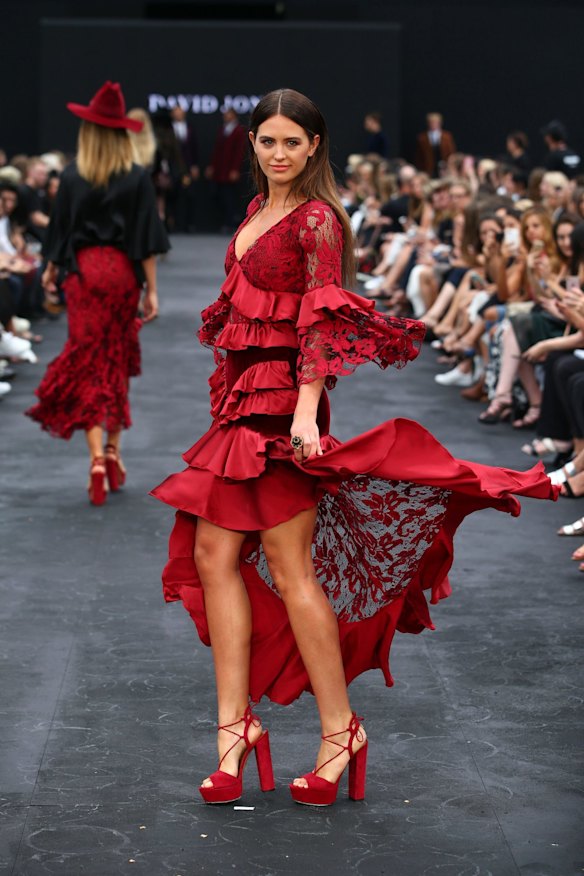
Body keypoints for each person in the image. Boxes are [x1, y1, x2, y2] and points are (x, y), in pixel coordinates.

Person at [151, 88, 556, 809]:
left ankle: (340, 730)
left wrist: (307, 411)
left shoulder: (318, 221)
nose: (278, 153)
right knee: (214, 557)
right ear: (251, 143)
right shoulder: (255, 213)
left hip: (283, 407)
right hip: (242, 402)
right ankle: (232, 730)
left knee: (288, 564)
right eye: (266, 141)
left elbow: (319, 325)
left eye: (291, 142)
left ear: (314, 146)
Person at [26, 81, 169, 504]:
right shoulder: (137, 177)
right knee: (115, 359)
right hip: (122, 274)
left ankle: (95, 459)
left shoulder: (71, 176)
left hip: (85, 274)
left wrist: (52, 270)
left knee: (88, 361)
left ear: (88, 130)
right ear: (123, 132)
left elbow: (59, 231)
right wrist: (152, 292)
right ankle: (113, 448)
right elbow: (146, 240)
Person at [205, 108, 247, 232]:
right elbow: (217, 150)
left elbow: (239, 152)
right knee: (220, 196)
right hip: (220, 169)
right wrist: (212, 166)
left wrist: (235, 169)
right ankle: (227, 221)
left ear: (234, 116)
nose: (226, 116)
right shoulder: (223, 129)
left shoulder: (239, 131)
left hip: (230, 169)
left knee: (230, 197)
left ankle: (231, 221)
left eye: (228, 114)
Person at [414, 113, 456, 178]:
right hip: (428, 168)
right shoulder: (422, 138)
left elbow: (451, 152)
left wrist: (450, 166)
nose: (433, 124)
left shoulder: (447, 136)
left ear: (440, 123)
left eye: (436, 122)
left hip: (444, 166)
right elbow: (419, 156)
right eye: (431, 122)